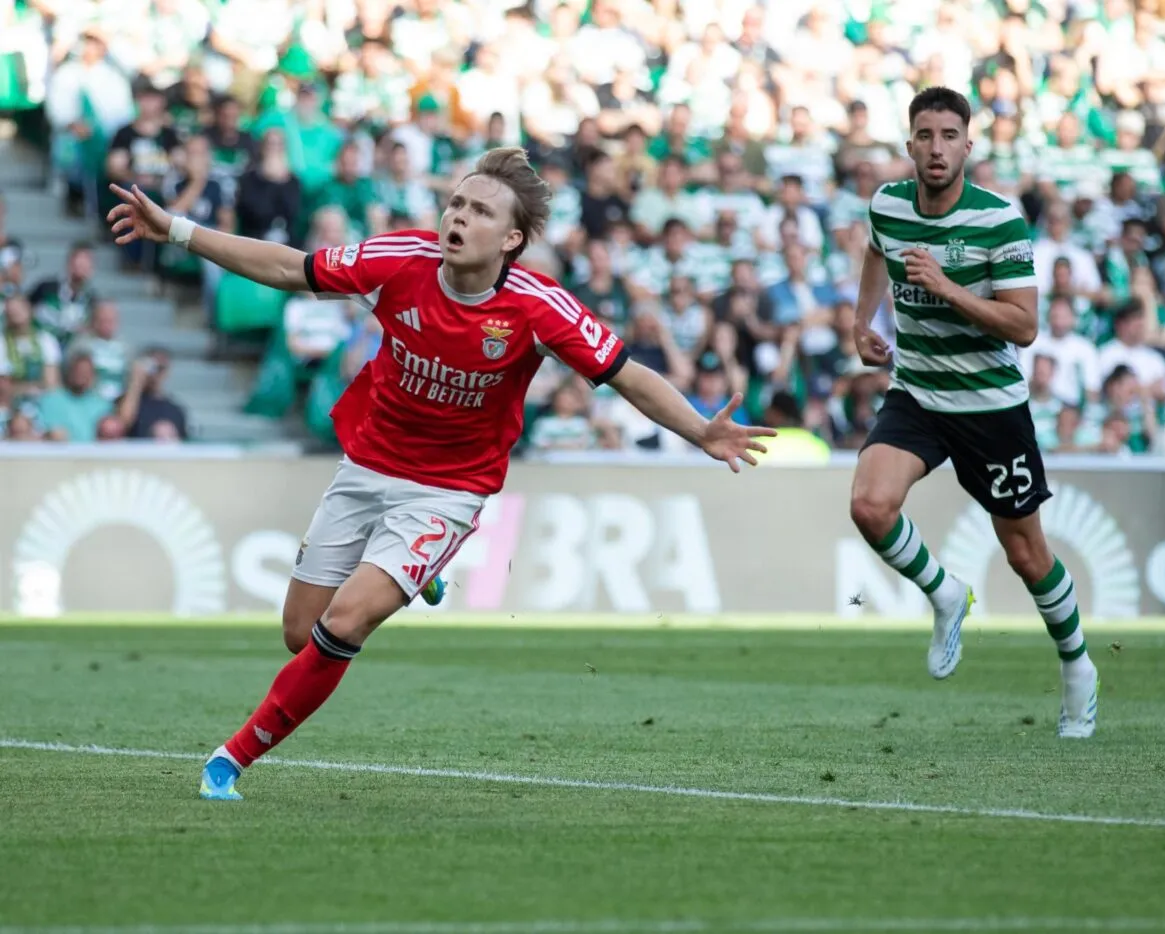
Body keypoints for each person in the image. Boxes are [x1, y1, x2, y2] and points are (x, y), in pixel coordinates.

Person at [106, 147, 772, 801]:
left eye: (480, 211)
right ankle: (421, 574)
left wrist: (700, 429)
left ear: (511, 239)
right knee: (299, 633)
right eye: (456, 202)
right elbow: (288, 267)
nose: (458, 216)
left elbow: (626, 374)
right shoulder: (401, 259)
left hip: (449, 491)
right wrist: (179, 230)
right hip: (368, 464)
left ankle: (232, 758)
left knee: (345, 622)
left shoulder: (539, 307)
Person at [847, 87, 1098, 739]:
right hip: (918, 393)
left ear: (968, 146)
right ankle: (945, 593)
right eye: (925, 135)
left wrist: (947, 287)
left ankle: (1077, 666)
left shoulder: (998, 221)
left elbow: (1024, 326)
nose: (937, 149)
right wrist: (862, 322)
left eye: (949, 136)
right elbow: (875, 251)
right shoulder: (887, 205)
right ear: (909, 145)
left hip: (990, 406)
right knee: (870, 505)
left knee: (1027, 554)